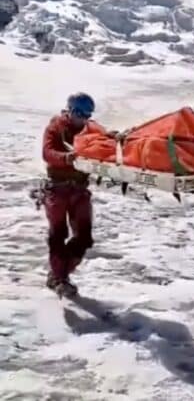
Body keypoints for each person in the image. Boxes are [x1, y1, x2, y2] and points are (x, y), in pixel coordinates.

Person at [40, 93, 115, 297]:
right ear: (70, 110)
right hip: (58, 189)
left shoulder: (91, 129)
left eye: (87, 114)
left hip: (80, 190)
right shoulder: (55, 127)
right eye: (80, 113)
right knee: (58, 235)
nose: (83, 118)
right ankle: (60, 278)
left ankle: (59, 274)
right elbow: (47, 153)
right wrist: (67, 158)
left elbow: (104, 142)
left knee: (83, 237)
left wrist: (114, 138)